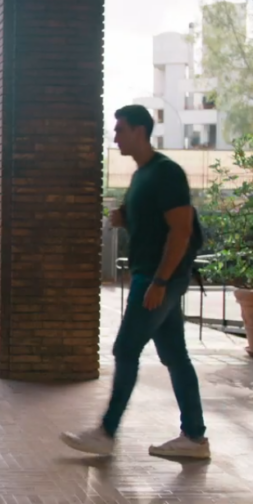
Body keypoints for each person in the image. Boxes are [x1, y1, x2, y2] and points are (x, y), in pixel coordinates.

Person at [60, 104, 209, 459]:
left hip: (157, 278)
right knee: (175, 355)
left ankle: (106, 432)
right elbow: (156, 224)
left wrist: (160, 281)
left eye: (120, 129)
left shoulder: (165, 173)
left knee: (126, 349)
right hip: (152, 274)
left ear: (139, 131)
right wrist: (127, 219)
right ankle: (194, 437)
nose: (115, 136)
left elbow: (182, 230)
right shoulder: (143, 175)